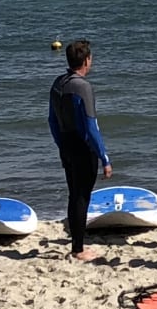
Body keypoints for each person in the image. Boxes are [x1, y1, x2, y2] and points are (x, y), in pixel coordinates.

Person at [46, 38, 111, 261]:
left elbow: (52, 121)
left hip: (66, 146)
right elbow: (91, 126)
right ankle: (79, 249)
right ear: (86, 60)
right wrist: (104, 157)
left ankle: (76, 245)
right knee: (82, 197)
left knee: (74, 195)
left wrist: (60, 144)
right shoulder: (83, 87)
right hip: (83, 148)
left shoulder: (58, 83)